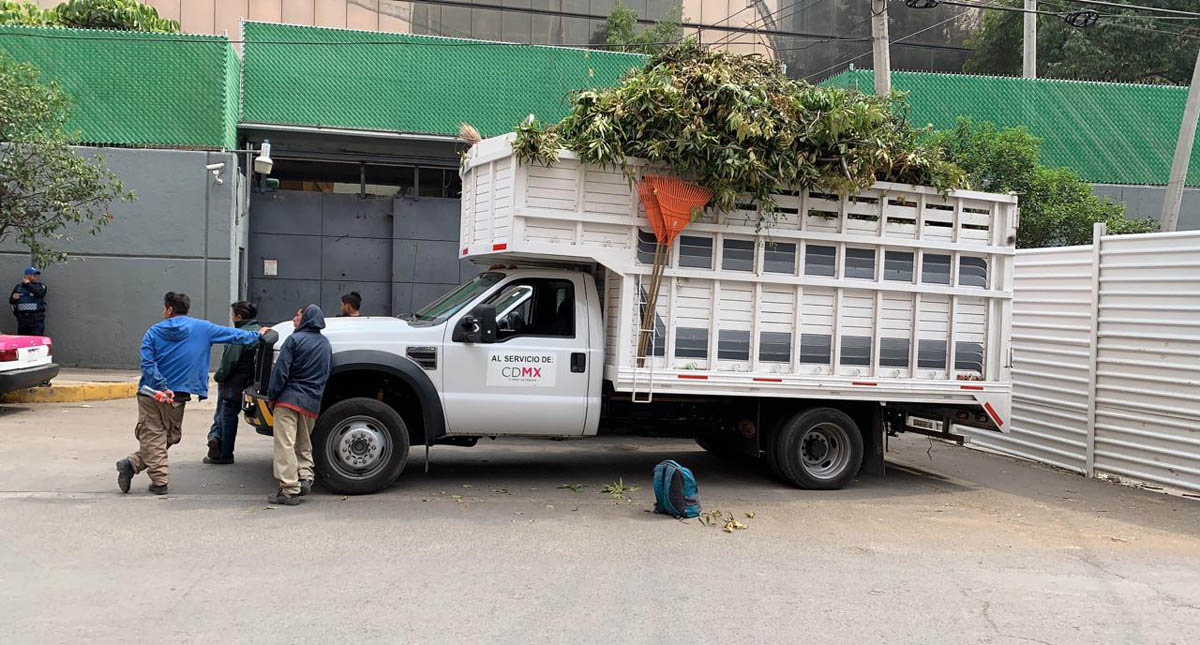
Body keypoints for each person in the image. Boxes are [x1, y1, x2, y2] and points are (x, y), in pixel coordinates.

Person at [115, 292, 270, 495]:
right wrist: (258, 334)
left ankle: (132, 464)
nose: (163, 312)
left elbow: (147, 362)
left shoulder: (153, 332)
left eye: (164, 308)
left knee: (164, 437)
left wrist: (161, 385)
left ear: (169, 309)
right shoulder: (202, 328)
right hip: (174, 395)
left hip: (152, 393)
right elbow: (233, 335)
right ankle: (160, 482)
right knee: (162, 436)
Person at [266, 304, 331, 506]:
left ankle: (289, 489)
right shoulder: (325, 344)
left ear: (306, 320)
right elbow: (326, 373)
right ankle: (305, 478)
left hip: (288, 400)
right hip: (311, 403)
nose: (294, 319)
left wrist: (272, 396)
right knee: (304, 443)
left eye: (298, 315)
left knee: (284, 444)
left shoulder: (294, 340)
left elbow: (281, 372)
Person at [205, 301, 261, 465]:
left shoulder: (239, 334)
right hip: (250, 382)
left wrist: (219, 377)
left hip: (233, 383)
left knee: (226, 416)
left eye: (233, 314)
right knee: (225, 415)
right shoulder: (259, 331)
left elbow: (229, 361)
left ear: (239, 316)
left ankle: (224, 452)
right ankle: (214, 438)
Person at [10, 266, 47, 336]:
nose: (36, 276)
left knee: (36, 342)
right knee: (23, 342)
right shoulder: (18, 287)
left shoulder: (41, 286)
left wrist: (28, 283)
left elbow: (40, 293)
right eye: (33, 274)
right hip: (23, 320)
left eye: (37, 274)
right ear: (27, 276)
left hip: (36, 320)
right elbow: (11, 302)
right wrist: (13, 298)